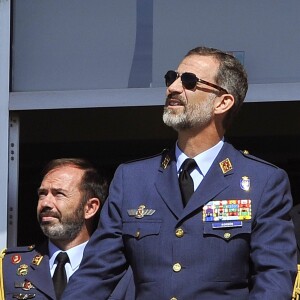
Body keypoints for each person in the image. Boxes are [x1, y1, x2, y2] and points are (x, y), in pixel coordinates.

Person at [63, 47, 297, 299]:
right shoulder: (132, 179)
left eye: (189, 81)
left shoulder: (262, 182)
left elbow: (273, 278)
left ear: (223, 102)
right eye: (171, 78)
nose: (173, 88)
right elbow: (95, 275)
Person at [0, 158, 134, 299]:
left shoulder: (122, 271)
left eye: (59, 194)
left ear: (90, 208)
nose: (45, 203)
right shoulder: (9, 266)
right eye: (42, 194)